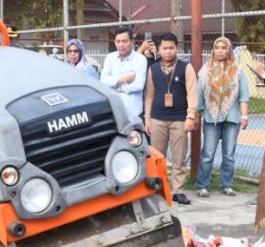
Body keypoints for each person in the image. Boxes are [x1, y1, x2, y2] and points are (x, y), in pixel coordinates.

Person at [143, 33, 197, 205]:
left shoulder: (186, 68)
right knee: (158, 158)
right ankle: (159, 189)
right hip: (157, 119)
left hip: (179, 120)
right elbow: (149, 96)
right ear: (158, 50)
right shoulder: (153, 70)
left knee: (179, 158)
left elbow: (192, 94)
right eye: (164, 48)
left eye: (171, 48)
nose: (168, 51)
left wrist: (190, 116)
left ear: (177, 48)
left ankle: (178, 191)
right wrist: (147, 119)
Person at [195, 36, 249, 199]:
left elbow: (243, 96)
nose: (220, 50)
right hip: (211, 118)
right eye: (217, 47)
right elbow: (199, 96)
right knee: (208, 153)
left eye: (223, 47)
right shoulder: (205, 71)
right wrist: (197, 115)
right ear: (213, 50)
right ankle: (202, 185)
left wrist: (244, 116)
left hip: (232, 118)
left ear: (229, 50)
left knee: (229, 154)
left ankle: (227, 185)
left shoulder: (238, 71)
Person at [100, 26, 148, 120]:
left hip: (133, 111)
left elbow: (138, 85)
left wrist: (115, 88)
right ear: (114, 42)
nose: (121, 45)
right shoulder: (110, 57)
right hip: (113, 109)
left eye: (125, 41)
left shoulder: (140, 59)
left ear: (132, 42)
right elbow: (103, 80)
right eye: (118, 41)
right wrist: (124, 79)